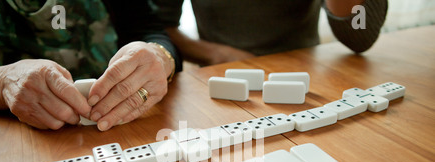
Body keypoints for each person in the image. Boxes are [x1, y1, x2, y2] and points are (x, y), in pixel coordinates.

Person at [0, 0, 182, 131]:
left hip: (118, 126)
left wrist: (160, 56)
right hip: (13, 133)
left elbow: (149, 30)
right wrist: (0, 81)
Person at [154, 0, 388, 66]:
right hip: (226, 77)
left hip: (308, 79)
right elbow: (157, 27)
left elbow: (360, 35)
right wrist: (217, 54)